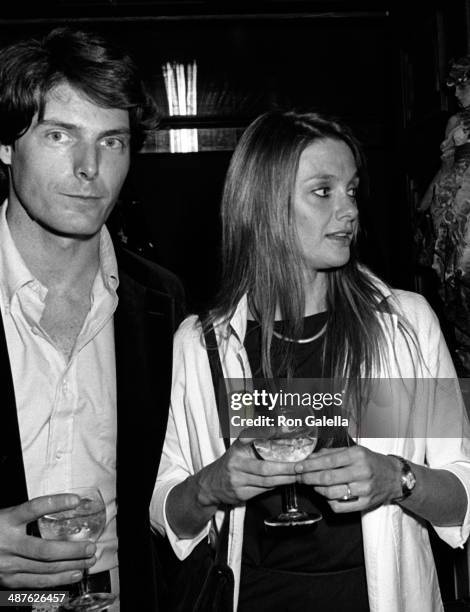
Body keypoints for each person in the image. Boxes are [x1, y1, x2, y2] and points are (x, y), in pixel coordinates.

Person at [151, 111, 470, 612]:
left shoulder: (403, 324)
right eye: (323, 191)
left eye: (351, 190)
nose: (349, 211)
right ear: (264, 207)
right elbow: (166, 507)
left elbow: (461, 491)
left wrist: (397, 478)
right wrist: (211, 486)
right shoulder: (204, 343)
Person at [0, 28, 184, 610]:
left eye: (113, 142)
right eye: (60, 135)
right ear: (5, 145)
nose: (89, 168)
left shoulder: (163, 302)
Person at [418, 55, 470, 376]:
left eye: (463, 84)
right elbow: (445, 169)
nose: (457, 92)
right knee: (456, 277)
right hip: (458, 206)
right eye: (455, 86)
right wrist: (426, 204)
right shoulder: (455, 124)